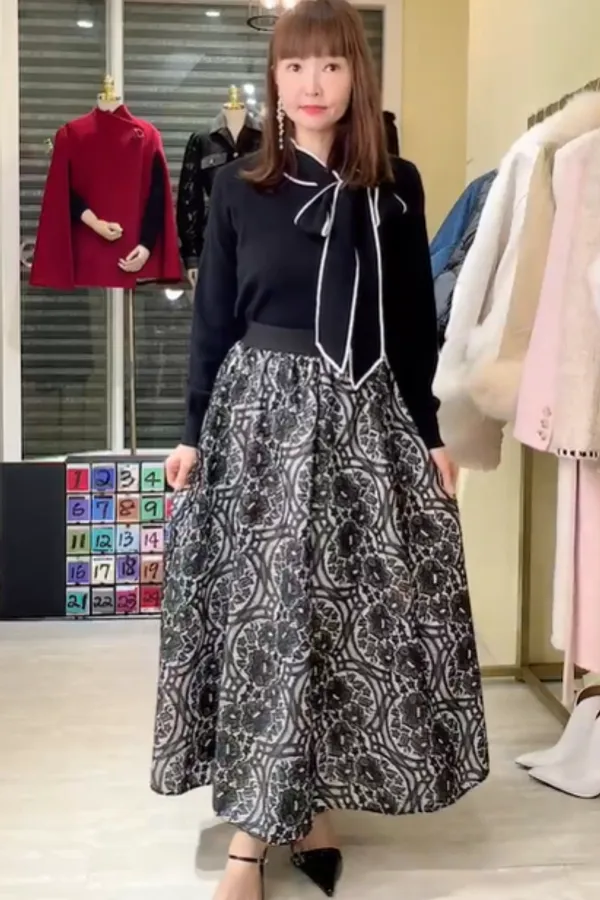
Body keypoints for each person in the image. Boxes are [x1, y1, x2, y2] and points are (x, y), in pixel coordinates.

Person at [151, 1, 489, 898]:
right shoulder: (239, 186)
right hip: (262, 421)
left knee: (344, 620)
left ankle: (309, 808)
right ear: (275, 78)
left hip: (363, 419)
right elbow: (214, 319)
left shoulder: (397, 186)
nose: (312, 84)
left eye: (331, 66)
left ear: (355, 77)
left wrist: (429, 431)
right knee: (270, 621)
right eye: (296, 66)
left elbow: (411, 320)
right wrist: (190, 431)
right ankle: (251, 841)